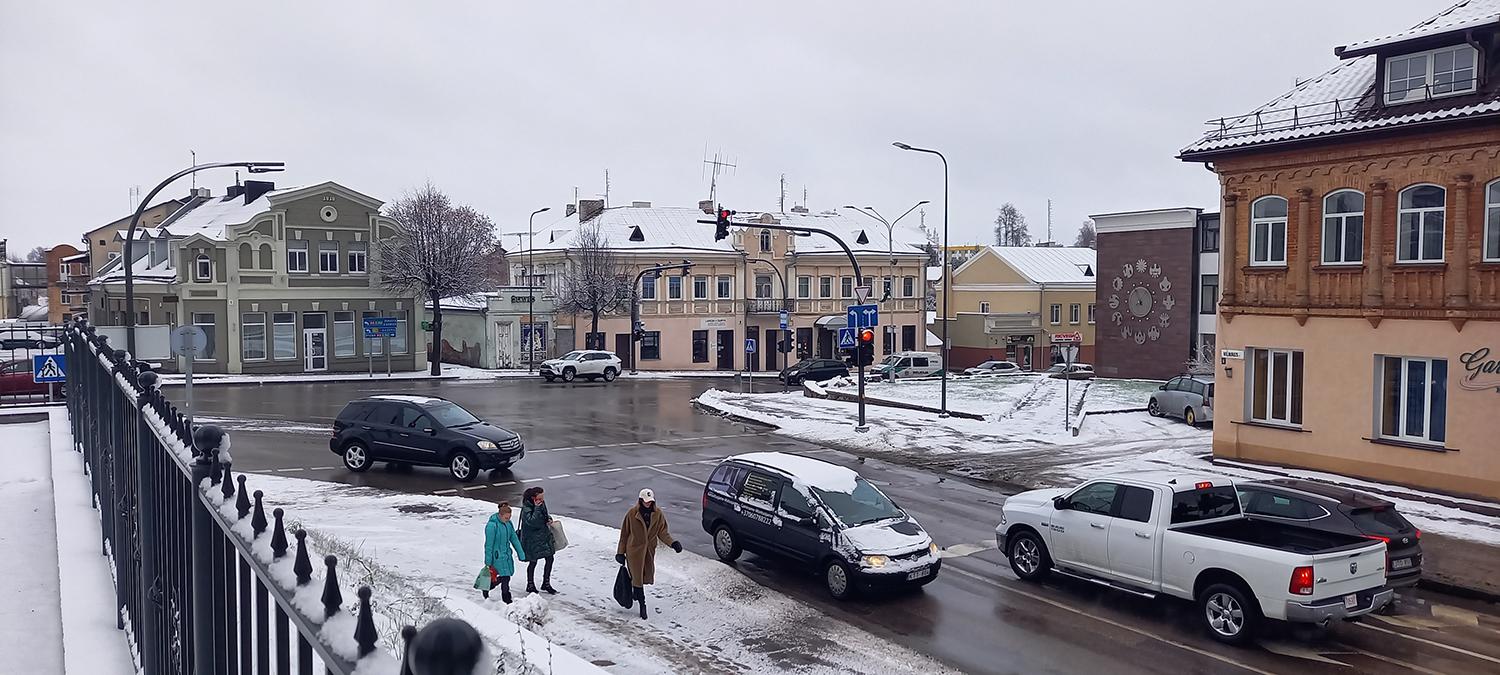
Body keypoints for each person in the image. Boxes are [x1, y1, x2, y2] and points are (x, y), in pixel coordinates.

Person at [615, 488, 682, 619]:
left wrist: (673, 543)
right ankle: (642, 604)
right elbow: (624, 534)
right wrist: (620, 553)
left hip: (648, 552)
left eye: (650, 502)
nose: (648, 504)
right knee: (638, 578)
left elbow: (663, 532)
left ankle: (636, 592)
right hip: (634, 551)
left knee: (645, 576)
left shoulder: (658, 514)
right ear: (640, 501)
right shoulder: (632, 514)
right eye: (645, 502)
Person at [482, 501, 526, 603]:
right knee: (504, 577)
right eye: (506, 518)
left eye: (509, 517)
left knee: (506, 577)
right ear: (500, 515)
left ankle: (490, 587)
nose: (508, 520)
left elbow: (514, 539)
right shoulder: (492, 526)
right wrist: (488, 561)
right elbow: (488, 545)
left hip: (506, 555)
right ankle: (506, 599)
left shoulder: (508, 524)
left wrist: (521, 553)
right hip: (496, 557)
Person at [519, 486, 557, 594]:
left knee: (549, 558)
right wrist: (536, 508)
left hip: (543, 537)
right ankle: (530, 584)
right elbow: (532, 522)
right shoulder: (526, 508)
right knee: (533, 562)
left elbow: (545, 514)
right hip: (532, 540)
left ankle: (546, 583)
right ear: (533, 498)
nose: (541, 500)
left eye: (542, 498)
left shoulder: (541, 503)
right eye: (539, 498)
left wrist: (549, 519)